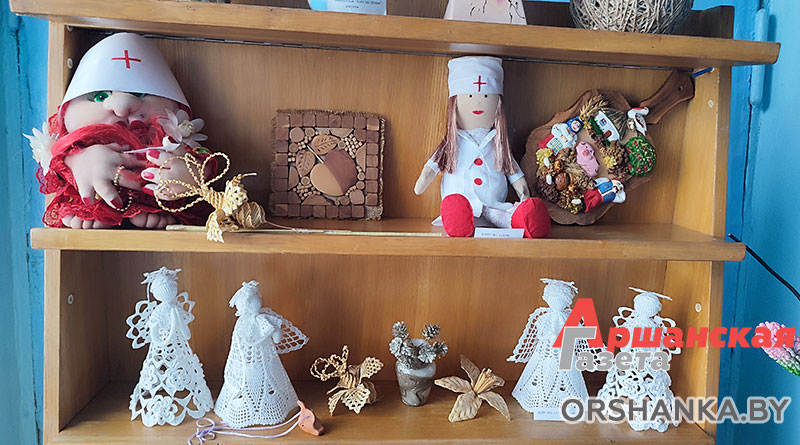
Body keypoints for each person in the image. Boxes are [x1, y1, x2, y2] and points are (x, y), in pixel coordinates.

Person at [27, 32, 215, 229]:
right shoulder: (78, 140)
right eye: (100, 96)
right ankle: (94, 206)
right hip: (95, 203)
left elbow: (205, 161)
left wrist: (190, 173)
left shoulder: (169, 139)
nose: (122, 107)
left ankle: (150, 205)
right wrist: (77, 161)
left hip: (157, 202)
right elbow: (57, 164)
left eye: (139, 93)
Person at [414, 56, 549, 238]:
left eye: (486, 96)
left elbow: (512, 170)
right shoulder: (452, 143)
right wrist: (422, 181)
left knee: (509, 217)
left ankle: (526, 220)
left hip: (494, 206)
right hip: (462, 203)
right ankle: (458, 220)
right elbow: (431, 168)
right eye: (470, 96)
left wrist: (524, 193)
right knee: (457, 210)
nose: (478, 103)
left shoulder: (498, 144)